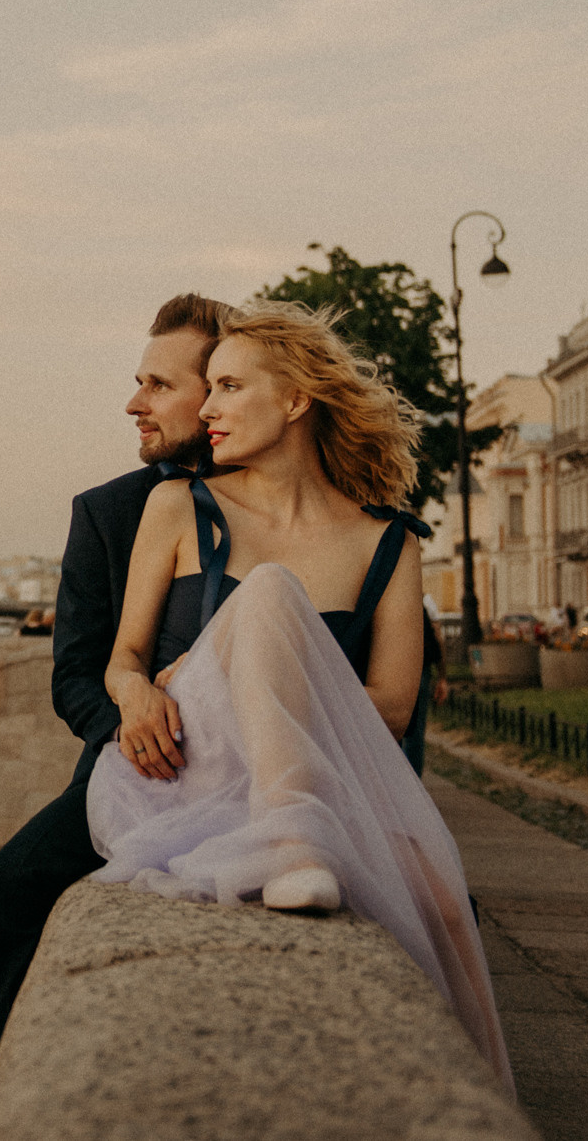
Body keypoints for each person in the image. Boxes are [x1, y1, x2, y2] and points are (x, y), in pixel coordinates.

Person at [88, 300, 511, 1084]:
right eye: (206, 389)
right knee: (270, 592)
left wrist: (245, 654)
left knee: (450, 917)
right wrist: (144, 693)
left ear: (294, 400)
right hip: (193, 769)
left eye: (228, 387)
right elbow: (124, 658)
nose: (207, 410)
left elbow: (391, 705)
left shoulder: (387, 539)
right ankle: (291, 842)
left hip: (331, 776)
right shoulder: (180, 505)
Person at [0, 292, 233, 1095]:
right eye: (137, 382)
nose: (134, 403)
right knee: (7, 893)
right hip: (131, 765)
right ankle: (6, 1105)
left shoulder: (282, 500)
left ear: (217, 392)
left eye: (157, 384)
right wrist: (129, 727)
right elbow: (74, 676)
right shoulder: (107, 511)